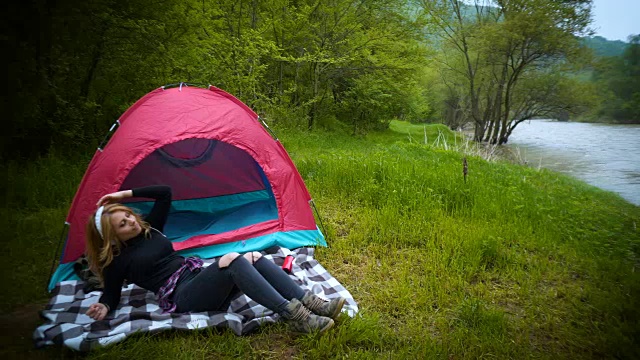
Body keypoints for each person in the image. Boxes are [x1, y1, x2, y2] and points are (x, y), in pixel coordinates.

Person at [84, 185, 345, 333]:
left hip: (196, 279)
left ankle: (313, 304)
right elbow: (111, 294)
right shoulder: (117, 261)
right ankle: (298, 318)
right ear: (112, 236)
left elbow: (164, 193)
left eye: (128, 215)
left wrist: (122, 195)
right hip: (182, 297)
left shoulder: (152, 228)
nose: (131, 221)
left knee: (252, 256)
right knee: (232, 259)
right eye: (122, 224)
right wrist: (104, 306)